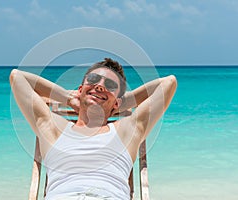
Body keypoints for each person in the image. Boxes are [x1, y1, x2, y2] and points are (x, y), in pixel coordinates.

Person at [10, 58, 177, 200]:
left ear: (118, 102)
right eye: (93, 80)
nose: (100, 86)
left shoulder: (126, 132)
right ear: (80, 90)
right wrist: (68, 98)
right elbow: (17, 78)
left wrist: (118, 102)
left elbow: (168, 83)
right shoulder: (54, 129)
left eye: (110, 85)